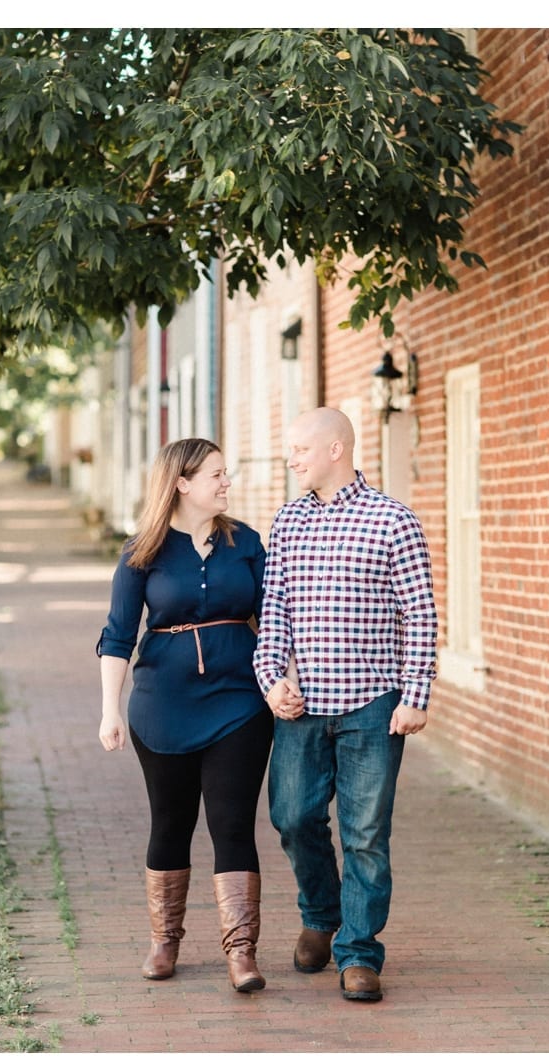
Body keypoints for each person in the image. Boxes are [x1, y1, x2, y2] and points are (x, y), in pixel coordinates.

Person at [253, 407, 437, 1003]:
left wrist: (415, 696)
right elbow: (274, 612)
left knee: (364, 835)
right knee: (292, 818)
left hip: (373, 707)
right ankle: (320, 913)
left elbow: (420, 615)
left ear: (336, 449)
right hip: (302, 709)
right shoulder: (286, 523)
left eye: (300, 448)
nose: (291, 458)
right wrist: (270, 679)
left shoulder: (393, 521)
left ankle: (358, 953)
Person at [97, 437, 274, 993]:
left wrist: (281, 679)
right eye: (217, 475)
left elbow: (275, 619)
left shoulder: (245, 542)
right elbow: (117, 636)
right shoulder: (140, 552)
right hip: (161, 706)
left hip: (239, 702)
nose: (227, 483)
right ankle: (164, 940)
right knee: (170, 824)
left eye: (226, 474)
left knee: (232, 824)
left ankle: (241, 953)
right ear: (182, 483)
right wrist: (109, 711)